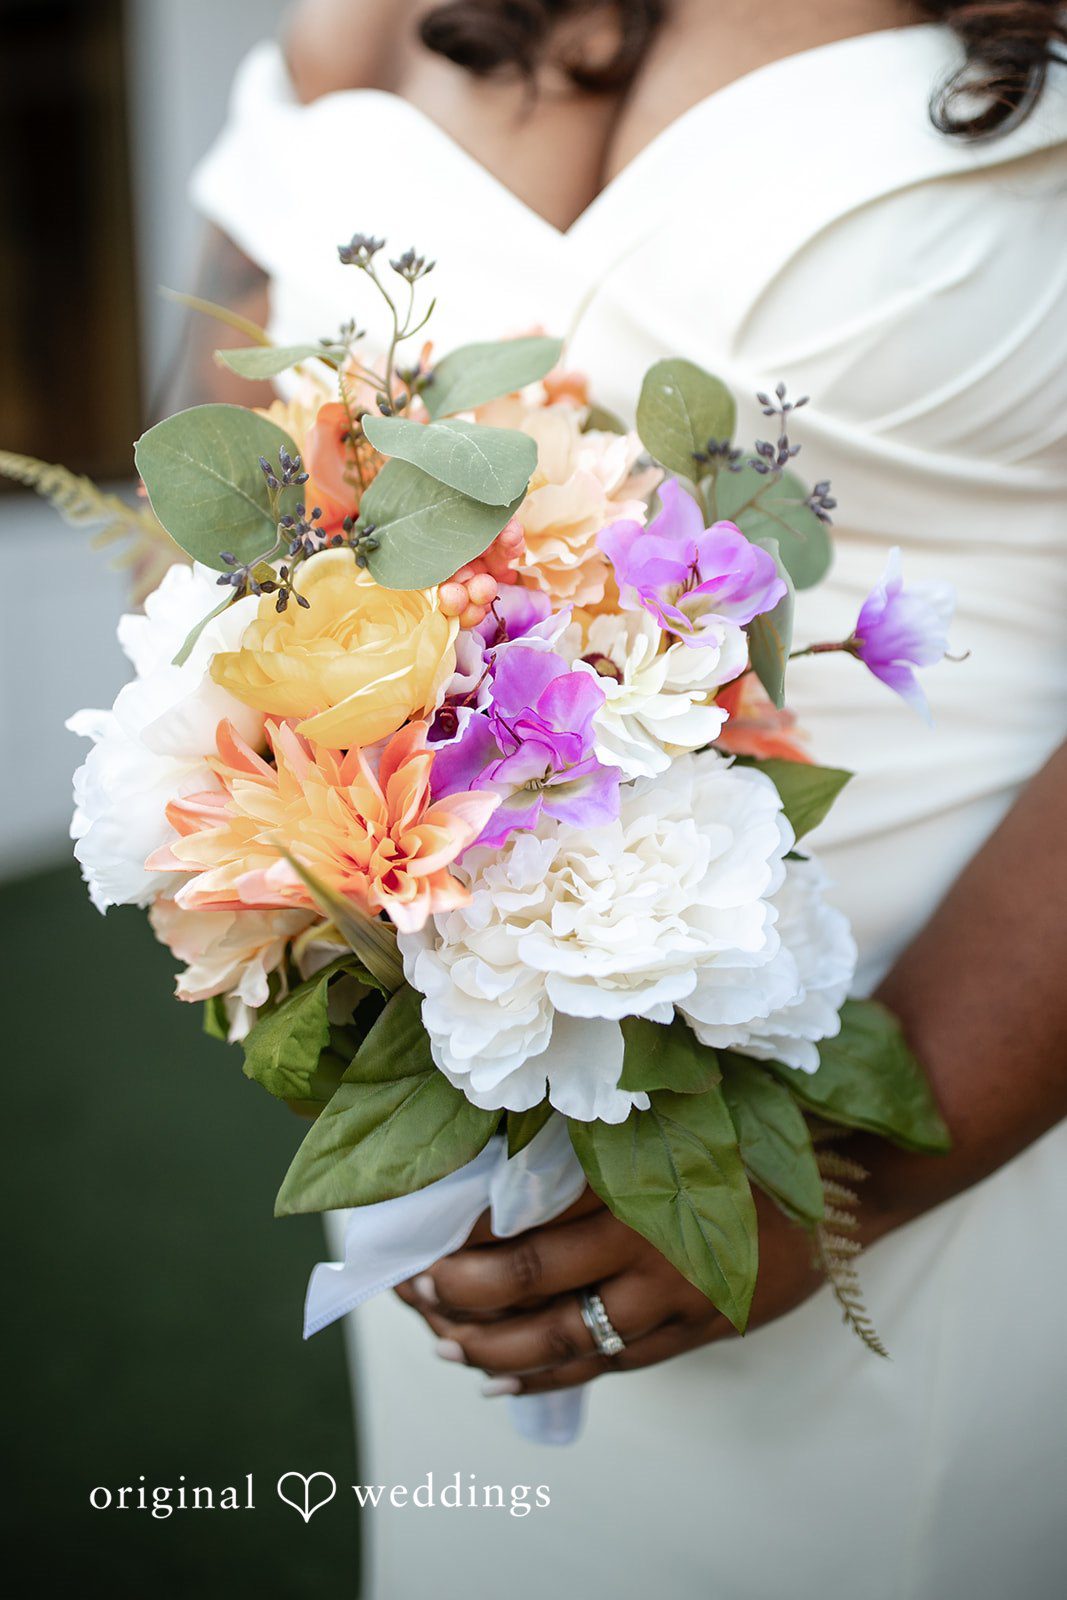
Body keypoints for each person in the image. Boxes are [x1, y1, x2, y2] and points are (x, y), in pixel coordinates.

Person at [183, 2, 1067, 1594]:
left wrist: (841, 1183)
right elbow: (239, 478)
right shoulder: (366, 22)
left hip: (977, 1083)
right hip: (472, 1083)